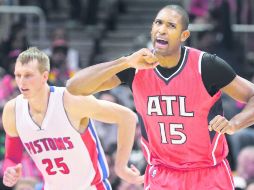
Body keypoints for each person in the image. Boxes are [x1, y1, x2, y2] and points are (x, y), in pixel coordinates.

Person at [66, 4, 254, 190]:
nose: (162, 30)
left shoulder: (206, 65)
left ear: (184, 35)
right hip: (162, 175)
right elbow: (75, 87)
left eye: (171, 26)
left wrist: (234, 124)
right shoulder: (135, 67)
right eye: (158, 23)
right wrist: (125, 61)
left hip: (208, 173)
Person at [1, 47, 144, 190]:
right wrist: (11, 170)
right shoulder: (12, 111)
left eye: (28, 75)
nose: (21, 82)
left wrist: (121, 167)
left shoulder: (70, 100)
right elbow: (11, 158)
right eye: (18, 75)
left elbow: (127, 117)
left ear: (45, 76)